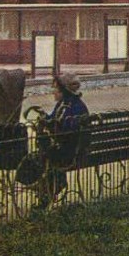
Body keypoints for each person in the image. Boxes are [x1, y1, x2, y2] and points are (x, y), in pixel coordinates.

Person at [35, 72, 90, 207]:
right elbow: (55, 120)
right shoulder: (69, 104)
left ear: (64, 91)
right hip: (75, 149)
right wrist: (45, 117)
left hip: (72, 152)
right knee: (45, 152)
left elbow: (66, 130)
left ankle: (48, 190)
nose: (53, 92)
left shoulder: (70, 107)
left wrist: (49, 125)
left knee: (43, 155)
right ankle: (48, 186)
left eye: (56, 89)